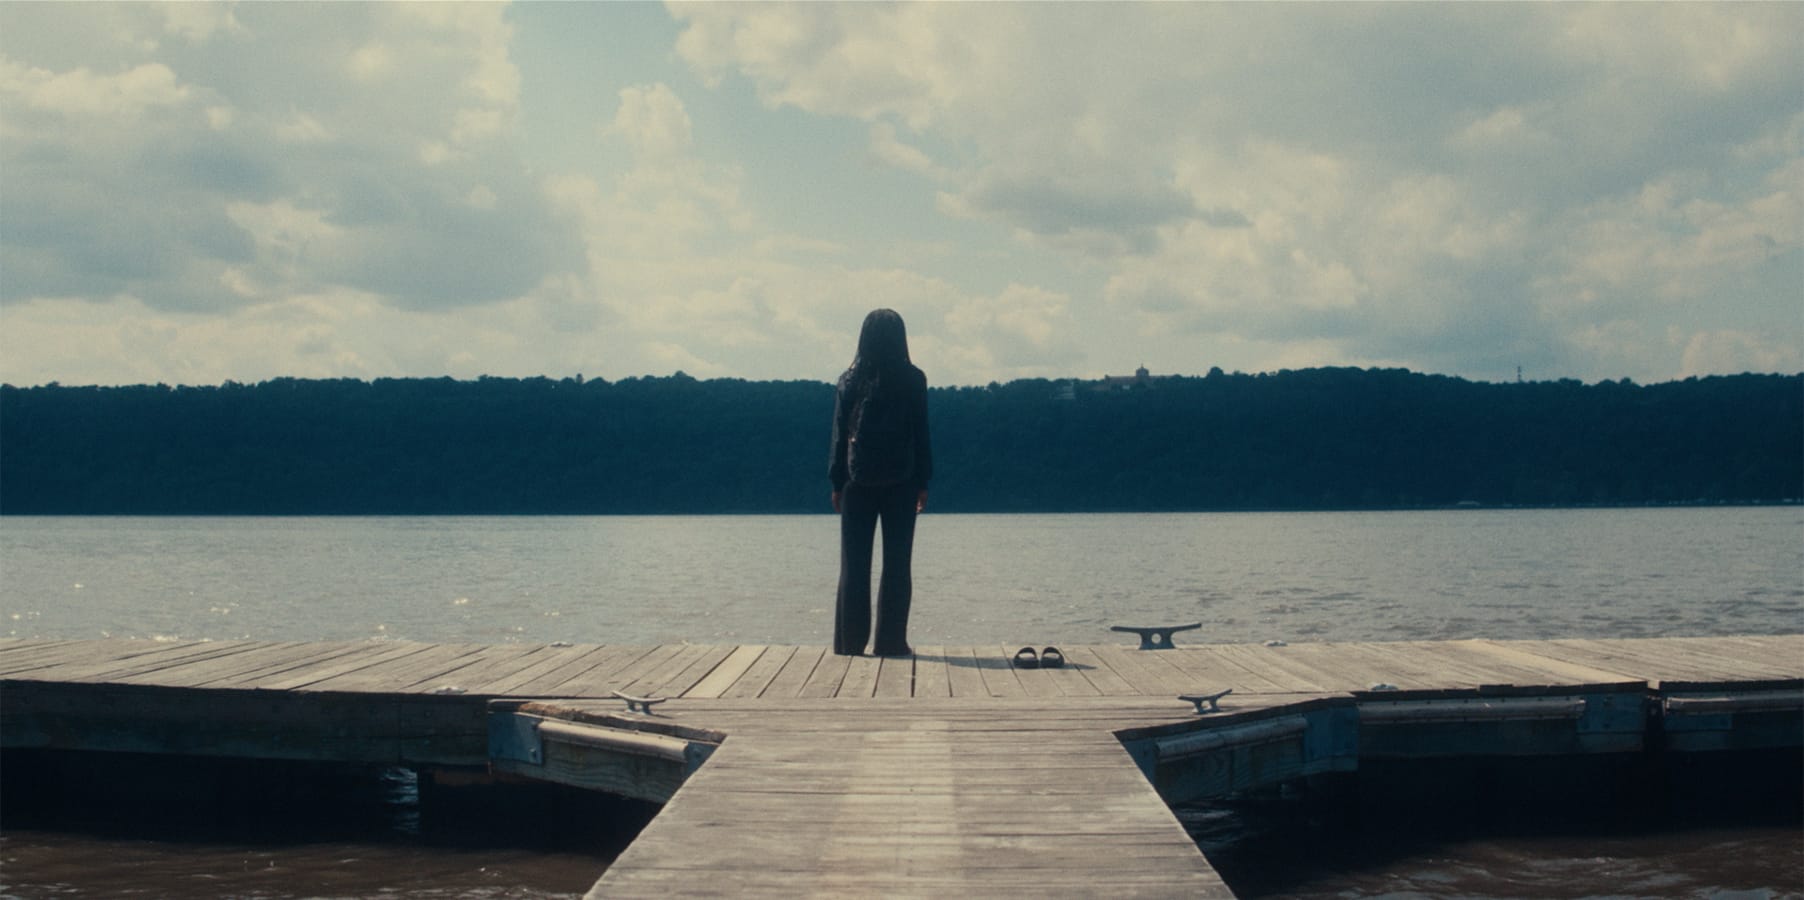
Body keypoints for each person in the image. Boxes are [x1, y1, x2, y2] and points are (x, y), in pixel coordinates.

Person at [828, 309, 932, 657]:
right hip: (902, 481)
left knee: (854, 566)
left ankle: (849, 642)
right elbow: (921, 434)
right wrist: (923, 481)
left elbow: (840, 436)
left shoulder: (849, 380)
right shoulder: (914, 379)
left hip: (857, 482)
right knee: (898, 564)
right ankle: (890, 642)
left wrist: (836, 482)